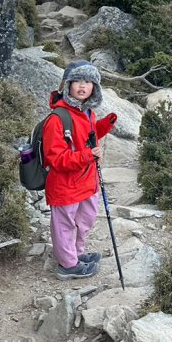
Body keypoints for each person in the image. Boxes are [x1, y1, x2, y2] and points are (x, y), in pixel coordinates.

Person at [43, 60, 117, 280]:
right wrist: (88, 155)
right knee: (65, 224)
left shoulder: (87, 113)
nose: (82, 86)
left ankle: (76, 254)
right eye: (77, 81)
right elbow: (56, 158)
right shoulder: (57, 119)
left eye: (88, 81)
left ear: (95, 87)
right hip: (65, 184)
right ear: (67, 84)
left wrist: (104, 126)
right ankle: (67, 265)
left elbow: (87, 137)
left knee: (84, 220)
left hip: (85, 181)